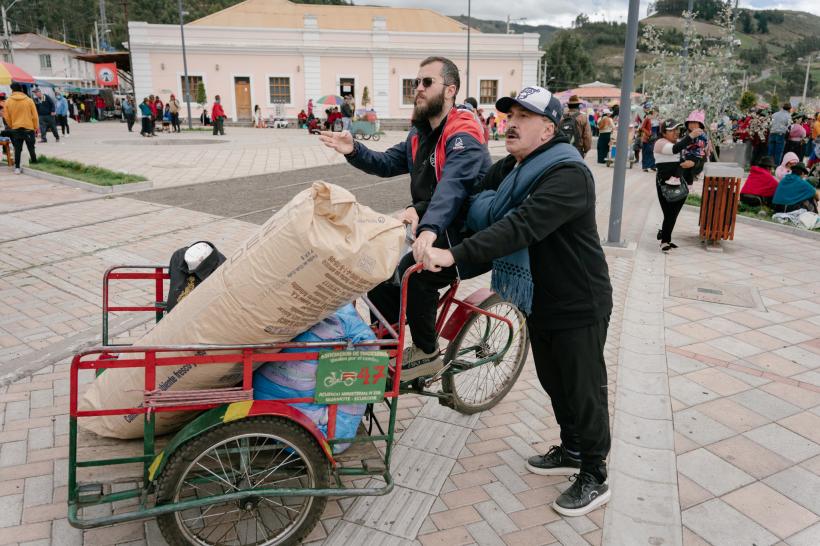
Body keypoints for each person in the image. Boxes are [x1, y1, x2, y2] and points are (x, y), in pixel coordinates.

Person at [422, 85, 613, 517]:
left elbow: (518, 227)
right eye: (509, 115)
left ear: (548, 129)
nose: (510, 123)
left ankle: (595, 473)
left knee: (583, 389)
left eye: (523, 117)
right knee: (553, 382)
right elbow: (472, 199)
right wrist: (423, 220)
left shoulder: (567, 174)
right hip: (538, 297)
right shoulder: (512, 167)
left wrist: (454, 254)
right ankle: (571, 449)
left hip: (578, 300)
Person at [318, 56, 491, 379]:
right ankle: (383, 349)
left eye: (427, 82)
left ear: (450, 90)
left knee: (414, 272)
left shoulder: (463, 133)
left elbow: (452, 188)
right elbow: (385, 163)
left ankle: (427, 352)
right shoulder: (420, 134)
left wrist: (426, 227)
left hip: (466, 235)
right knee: (378, 271)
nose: (419, 89)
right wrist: (353, 149)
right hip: (435, 225)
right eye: (417, 83)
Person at [653, 118, 694, 251]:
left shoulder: (677, 142)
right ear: (664, 133)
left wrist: (690, 163)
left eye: (677, 129)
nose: (676, 132)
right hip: (664, 183)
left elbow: (682, 157)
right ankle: (665, 239)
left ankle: (665, 237)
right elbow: (675, 149)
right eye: (671, 130)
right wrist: (691, 136)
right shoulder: (660, 143)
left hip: (678, 182)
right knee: (669, 213)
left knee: (672, 214)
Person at [2, 83, 38, 174]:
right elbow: (35, 116)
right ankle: (34, 163)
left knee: (17, 149)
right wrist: (35, 127)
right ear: (21, 89)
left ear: (12, 90)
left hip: (16, 128)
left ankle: (17, 167)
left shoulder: (8, 101)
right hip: (29, 128)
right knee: (31, 148)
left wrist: (12, 125)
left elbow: (6, 117)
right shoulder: (29, 100)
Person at [639, 106, 657, 171]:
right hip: (647, 138)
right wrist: (648, 133)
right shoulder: (647, 119)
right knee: (646, 152)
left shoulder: (655, 120)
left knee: (652, 152)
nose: (656, 114)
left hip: (653, 138)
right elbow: (642, 127)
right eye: (655, 113)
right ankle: (645, 166)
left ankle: (652, 166)